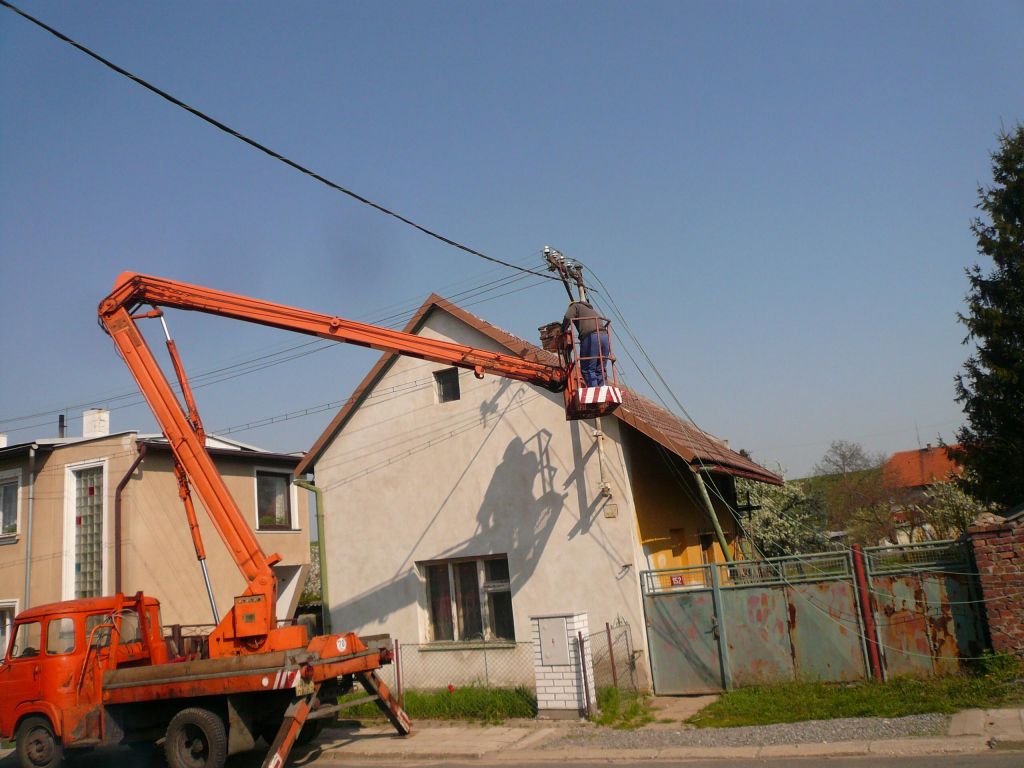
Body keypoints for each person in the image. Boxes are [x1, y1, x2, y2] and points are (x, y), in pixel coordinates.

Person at [562, 299, 610, 387]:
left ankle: (595, 391)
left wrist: (562, 330)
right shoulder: (592, 310)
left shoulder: (574, 306)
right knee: (600, 369)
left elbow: (568, 317)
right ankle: (604, 389)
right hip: (605, 337)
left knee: (587, 369)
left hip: (591, 337)